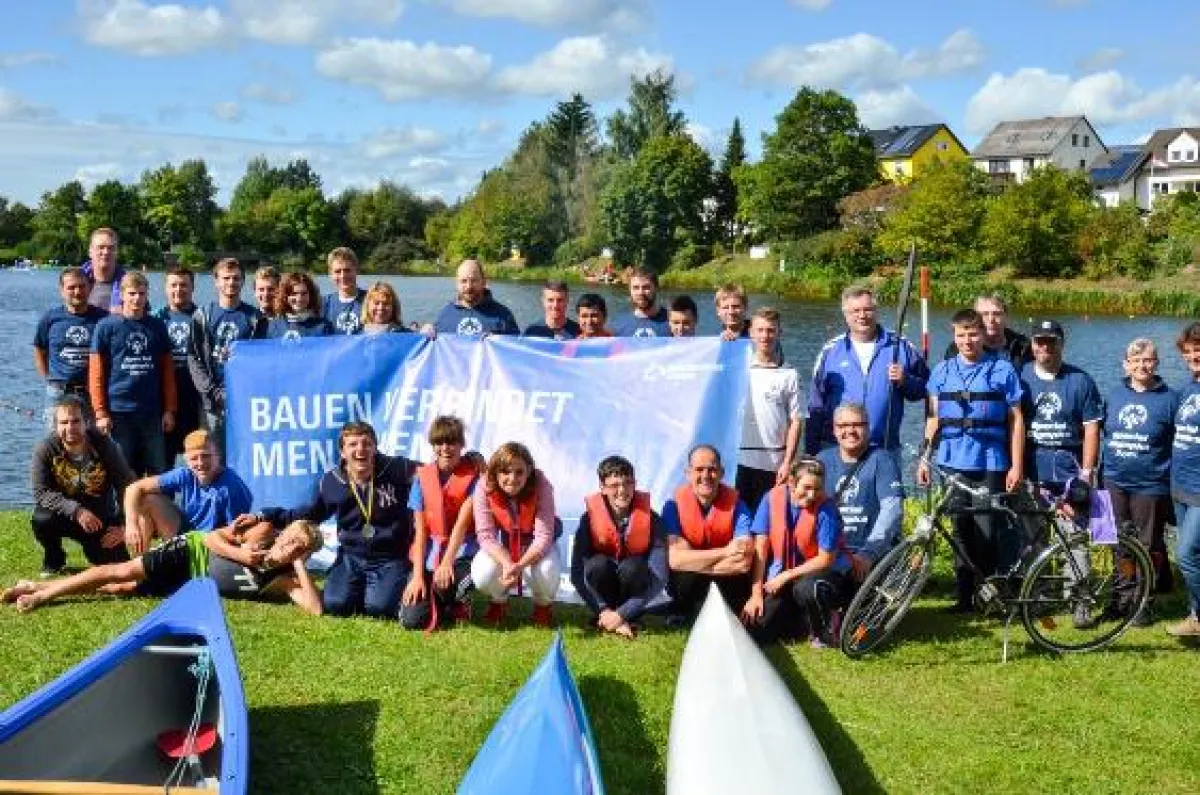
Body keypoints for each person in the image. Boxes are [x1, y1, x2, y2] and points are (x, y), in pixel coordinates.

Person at [919, 308, 1025, 612]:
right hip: (952, 459)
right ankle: (963, 596)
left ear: (983, 335)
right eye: (961, 335)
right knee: (960, 528)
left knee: (988, 529)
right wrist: (925, 458)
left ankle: (990, 594)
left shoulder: (1002, 370)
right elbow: (934, 419)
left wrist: (1016, 464)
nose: (967, 340)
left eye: (973, 334)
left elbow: (1017, 420)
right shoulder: (942, 371)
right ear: (954, 336)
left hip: (990, 460)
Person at [257, 421, 416, 618]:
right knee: (336, 605)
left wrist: (463, 463)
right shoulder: (333, 481)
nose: (361, 450)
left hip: (390, 556)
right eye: (353, 445)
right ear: (342, 452)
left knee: (379, 608)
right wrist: (265, 515)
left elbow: (433, 473)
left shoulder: (397, 469)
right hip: (351, 557)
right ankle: (364, 590)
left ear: (375, 447)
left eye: (367, 443)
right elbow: (311, 513)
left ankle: (395, 582)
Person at [2, 519, 323, 616]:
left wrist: (297, 565)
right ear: (284, 533)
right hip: (189, 551)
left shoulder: (284, 580)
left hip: (189, 581)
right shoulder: (262, 533)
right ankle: (42, 598)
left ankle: (36, 586)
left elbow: (315, 609)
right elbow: (212, 538)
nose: (289, 546)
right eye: (291, 539)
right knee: (120, 572)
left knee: (120, 589)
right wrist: (243, 556)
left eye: (299, 547)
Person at [1103, 338, 1177, 624]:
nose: (1142, 365)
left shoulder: (1169, 399)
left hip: (1151, 484)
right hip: (1115, 480)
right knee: (1119, 543)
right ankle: (1122, 597)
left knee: (1148, 545)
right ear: (1126, 364)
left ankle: (1145, 599)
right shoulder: (1114, 394)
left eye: (1147, 360)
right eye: (1135, 360)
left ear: (1156, 363)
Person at [742, 457, 852, 647]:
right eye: (806, 488)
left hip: (823, 575)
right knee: (755, 630)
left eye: (817, 489)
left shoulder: (827, 509)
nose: (812, 495)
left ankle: (827, 625)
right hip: (786, 576)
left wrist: (786, 575)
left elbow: (826, 559)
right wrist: (756, 594)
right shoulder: (771, 498)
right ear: (792, 483)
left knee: (806, 589)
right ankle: (803, 621)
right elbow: (761, 547)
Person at [806, 285, 928, 455]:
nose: (862, 316)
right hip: (836, 450)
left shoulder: (900, 346)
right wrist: (811, 452)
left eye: (867, 309)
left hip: (884, 449)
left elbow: (927, 389)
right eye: (855, 311)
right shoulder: (831, 351)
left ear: (876, 311)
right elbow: (816, 405)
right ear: (845, 314)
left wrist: (906, 380)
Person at [30, 398, 134, 576]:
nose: (70, 428)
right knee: (41, 519)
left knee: (118, 567)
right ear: (56, 426)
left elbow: (126, 486)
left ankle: (95, 550)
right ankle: (54, 558)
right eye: (64, 422)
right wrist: (76, 511)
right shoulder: (45, 449)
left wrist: (123, 525)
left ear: (87, 422)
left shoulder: (106, 446)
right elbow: (41, 492)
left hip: (98, 518)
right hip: (64, 515)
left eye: (76, 421)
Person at [88, 272, 176, 477]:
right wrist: (100, 412)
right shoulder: (106, 326)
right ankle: (123, 510)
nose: (137, 298)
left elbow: (167, 371)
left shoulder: (157, 326)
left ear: (147, 296)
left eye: (142, 294)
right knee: (123, 470)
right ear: (122, 295)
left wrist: (170, 409)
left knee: (158, 469)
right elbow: (96, 372)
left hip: (152, 412)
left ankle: (156, 510)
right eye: (132, 293)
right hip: (119, 412)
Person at [570, 456, 668, 638]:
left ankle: (628, 618)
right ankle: (608, 620)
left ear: (635, 484)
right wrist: (604, 611)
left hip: (632, 592)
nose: (622, 490)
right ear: (602, 487)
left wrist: (621, 613)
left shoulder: (653, 520)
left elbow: (660, 577)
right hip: (603, 601)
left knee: (634, 567)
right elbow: (577, 575)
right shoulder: (587, 520)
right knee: (596, 565)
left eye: (628, 483)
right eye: (615, 485)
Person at [399, 416, 480, 631]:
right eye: (439, 442)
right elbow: (420, 532)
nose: (445, 448)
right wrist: (417, 576)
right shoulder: (422, 477)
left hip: (462, 551)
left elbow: (462, 526)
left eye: (452, 442)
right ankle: (444, 602)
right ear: (433, 445)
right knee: (412, 621)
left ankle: (458, 599)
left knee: (468, 575)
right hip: (430, 553)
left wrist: (446, 563)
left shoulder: (474, 478)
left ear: (462, 445)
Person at [122, 429, 255, 556]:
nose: (200, 463)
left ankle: (180, 564)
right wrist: (131, 525)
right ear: (186, 459)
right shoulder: (184, 474)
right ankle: (142, 566)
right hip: (186, 538)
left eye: (206, 456)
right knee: (148, 500)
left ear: (218, 456)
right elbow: (133, 488)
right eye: (194, 458)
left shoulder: (231, 485)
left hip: (214, 546)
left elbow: (237, 533)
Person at [471, 442, 561, 626]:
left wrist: (519, 566)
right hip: (504, 543)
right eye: (505, 471)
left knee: (547, 570)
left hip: (536, 542)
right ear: (496, 472)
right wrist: (507, 563)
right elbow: (485, 535)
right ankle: (499, 601)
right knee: (483, 574)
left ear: (529, 471)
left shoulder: (543, 485)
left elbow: (543, 537)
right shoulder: (483, 486)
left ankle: (542, 606)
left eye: (519, 472)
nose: (512, 478)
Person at [662, 444, 755, 621]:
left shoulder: (739, 507)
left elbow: (742, 562)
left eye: (712, 470)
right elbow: (675, 560)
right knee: (683, 576)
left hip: (726, 583)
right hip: (691, 582)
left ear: (722, 473)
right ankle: (686, 610)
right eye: (699, 469)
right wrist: (726, 552)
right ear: (688, 473)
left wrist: (694, 562)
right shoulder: (672, 507)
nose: (705, 476)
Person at [816, 403, 904, 582]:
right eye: (843, 425)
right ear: (834, 430)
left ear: (868, 427)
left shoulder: (882, 460)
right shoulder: (822, 460)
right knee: (806, 592)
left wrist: (868, 553)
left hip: (867, 553)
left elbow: (892, 511)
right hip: (830, 552)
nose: (851, 430)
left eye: (857, 424)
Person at [188, 258, 266, 451]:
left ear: (243, 282)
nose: (231, 283)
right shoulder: (202, 316)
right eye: (226, 278)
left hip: (244, 401)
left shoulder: (255, 318)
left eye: (236, 278)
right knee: (213, 457)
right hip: (212, 403)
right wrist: (213, 392)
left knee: (246, 453)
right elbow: (194, 359)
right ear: (216, 281)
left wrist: (243, 391)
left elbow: (261, 361)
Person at [1020, 320, 1103, 489]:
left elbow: (1092, 429)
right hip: (1031, 465)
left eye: (1051, 341)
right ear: (1032, 344)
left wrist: (1087, 473)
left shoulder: (1081, 380)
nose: (1045, 347)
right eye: (1039, 341)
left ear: (1062, 343)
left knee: (1073, 514)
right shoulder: (1020, 376)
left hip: (1069, 466)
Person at [737, 308, 804, 512]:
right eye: (760, 330)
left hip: (773, 464)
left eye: (770, 330)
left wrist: (787, 462)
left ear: (778, 333)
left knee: (768, 524)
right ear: (751, 332)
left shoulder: (790, 374)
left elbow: (797, 421)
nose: (765, 336)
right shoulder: (737, 367)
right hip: (739, 461)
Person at [34, 267, 107, 427]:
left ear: (90, 288)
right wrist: (47, 377)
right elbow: (39, 349)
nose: (77, 291)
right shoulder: (50, 318)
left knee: (92, 444)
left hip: (90, 393)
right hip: (58, 392)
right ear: (62, 290)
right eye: (71, 287)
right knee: (56, 442)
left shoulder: (103, 319)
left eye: (81, 286)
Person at [1169, 322, 1200, 637]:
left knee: (1186, 554)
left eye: (1198, 348)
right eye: (1189, 350)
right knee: (1196, 554)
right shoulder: (1187, 388)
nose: (1193, 355)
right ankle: (1194, 615)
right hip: (1180, 486)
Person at [155, 266, 201, 459]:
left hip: (194, 399)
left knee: (196, 457)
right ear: (166, 288)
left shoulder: (202, 317)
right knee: (163, 459)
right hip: (163, 401)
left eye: (183, 285)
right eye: (173, 285)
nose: (178, 290)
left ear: (192, 288)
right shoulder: (156, 318)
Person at [428, 259, 520, 338]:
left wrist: (498, 343)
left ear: (484, 282)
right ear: (456, 284)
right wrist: (425, 332)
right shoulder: (445, 314)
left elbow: (516, 351)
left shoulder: (503, 315)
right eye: (463, 281)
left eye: (474, 280)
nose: (469, 286)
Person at [943, 294, 1033, 368]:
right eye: (984, 314)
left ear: (1006, 317)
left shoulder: (1023, 346)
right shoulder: (957, 349)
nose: (991, 319)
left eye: (997, 314)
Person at [266, 272, 334, 339]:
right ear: (285, 296)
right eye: (294, 294)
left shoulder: (323, 326)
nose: (299, 299)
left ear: (311, 295)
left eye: (304, 293)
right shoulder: (275, 325)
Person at [611, 268, 670, 337]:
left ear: (656, 288)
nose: (640, 292)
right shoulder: (618, 325)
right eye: (636, 287)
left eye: (646, 287)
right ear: (630, 290)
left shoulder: (673, 321)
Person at [322, 248, 367, 335]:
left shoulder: (371, 300)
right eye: (337, 271)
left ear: (356, 270)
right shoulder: (323, 304)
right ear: (330, 274)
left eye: (347, 270)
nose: (343, 276)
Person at [81, 227, 125, 313]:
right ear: (90, 251)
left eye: (111, 248)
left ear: (117, 252)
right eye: (101, 247)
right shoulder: (75, 282)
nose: (106, 252)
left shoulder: (130, 286)